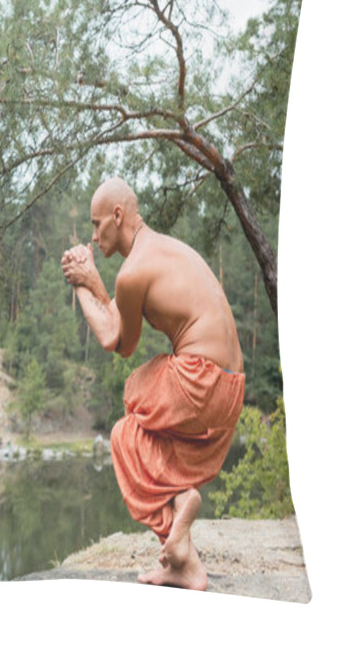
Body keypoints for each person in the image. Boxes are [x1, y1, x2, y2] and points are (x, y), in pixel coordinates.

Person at [61, 178, 245, 591]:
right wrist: (89, 282)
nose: (93, 236)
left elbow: (117, 341)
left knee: (132, 396)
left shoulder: (132, 273)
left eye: (96, 224)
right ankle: (185, 558)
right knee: (129, 436)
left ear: (118, 216)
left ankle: (182, 498)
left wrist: (85, 282)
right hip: (231, 387)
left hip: (199, 379)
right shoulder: (166, 248)